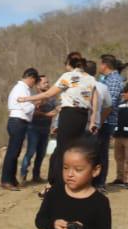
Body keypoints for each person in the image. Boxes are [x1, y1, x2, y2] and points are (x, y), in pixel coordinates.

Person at [21, 54, 100, 189]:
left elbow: (48, 94)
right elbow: (95, 103)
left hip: (69, 114)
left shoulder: (68, 77)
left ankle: (55, 183)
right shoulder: (91, 79)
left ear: (70, 64)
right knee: (74, 148)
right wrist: (93, 122)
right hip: (83, 116)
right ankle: (70, 181)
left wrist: (27, 99)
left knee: (62, 149)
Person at [1, 68, 40, 191]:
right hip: (18, 121)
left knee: (15, 152)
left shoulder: (20, 88)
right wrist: (35, 103)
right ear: (31, 78)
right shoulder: (22, 89)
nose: (34, 84)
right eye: (35, 81)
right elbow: (26, 108)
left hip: (17, 121)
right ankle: (6, 180)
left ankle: (11, 179)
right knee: (13, 152)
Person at [94, 55, 124, 189]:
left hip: (106, 121)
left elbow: (109, 104)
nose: (99, 66)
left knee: (101, 152)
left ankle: (100, 183)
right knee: (97, 151)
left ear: (105, 65)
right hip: (102, 120)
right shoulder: (106, 79)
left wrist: (99, 122)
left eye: (100, 64)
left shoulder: (114, 80)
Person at [20, 81, 56, 184]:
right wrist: (45, 114)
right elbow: (30, 111)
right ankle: (23, 176)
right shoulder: (33, 97)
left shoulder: (52, 98)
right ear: (38, 86)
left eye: (47, 82)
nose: (47, 84)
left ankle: (36, 176)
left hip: (46, 129)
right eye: (44, 83)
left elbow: (56, 109)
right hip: (33, 129)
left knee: (41, 153)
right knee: (30, 152)